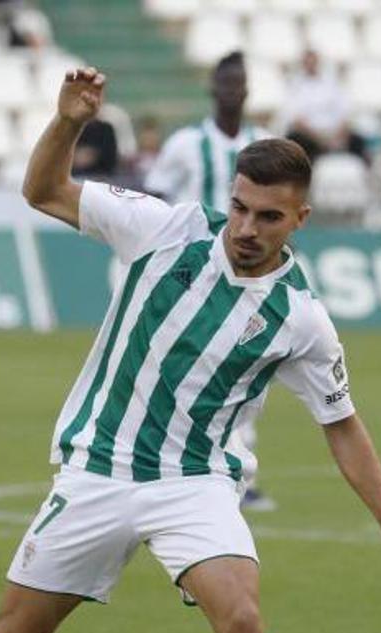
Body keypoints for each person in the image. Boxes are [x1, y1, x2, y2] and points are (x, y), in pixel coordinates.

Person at [0, 66, 381, 633]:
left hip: (194, 483)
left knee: (241, 620)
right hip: (96, 467)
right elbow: (42, 191)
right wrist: (65, 122)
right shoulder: (164, 228)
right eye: (239, 206)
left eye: (268, 216)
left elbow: (342, 426)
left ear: (299, 218)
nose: (245, 227)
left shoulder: (300, 318)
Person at [143, 51, 275, 512]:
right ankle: (176, 463)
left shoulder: (263, 143)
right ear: (213, 89)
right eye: (225, 82)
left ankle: (241, 474)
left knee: (243, 371)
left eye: (239, 82)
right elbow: (156, 197)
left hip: (246, 278)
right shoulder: (185, 144)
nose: (232, 90)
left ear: (247, 89)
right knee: (186, 369)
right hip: (193, 276)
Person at [279, 50, 368, 162]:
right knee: (294, 139)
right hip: (309, 136)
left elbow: (345, 113)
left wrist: (337, 136)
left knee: (358, 140)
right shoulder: (295, 85)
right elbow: (296, 120)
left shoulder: (332, 83)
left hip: (334, 133)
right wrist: (319, 139)